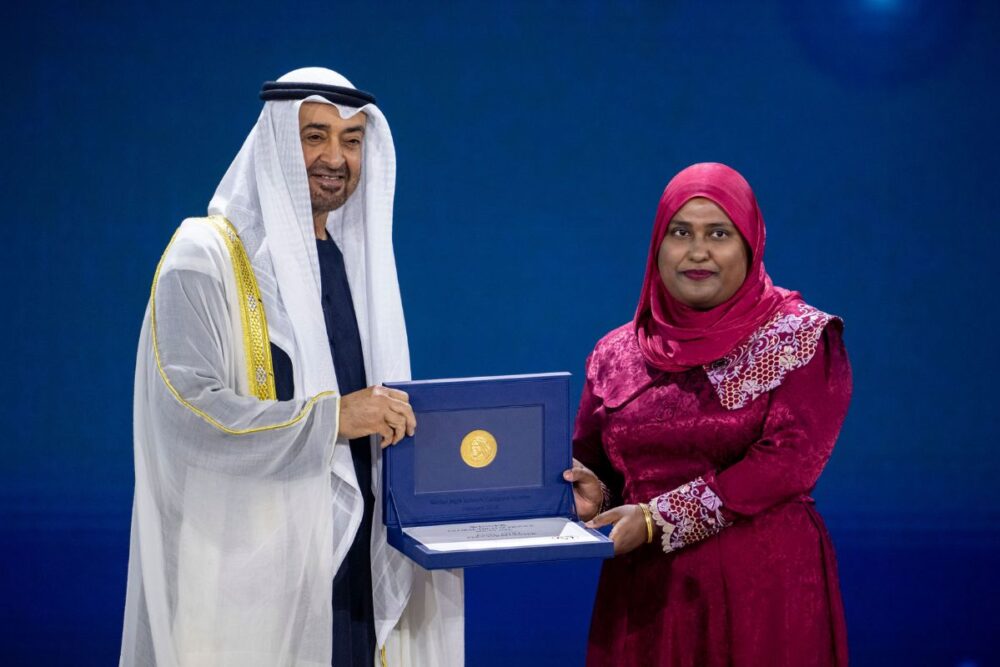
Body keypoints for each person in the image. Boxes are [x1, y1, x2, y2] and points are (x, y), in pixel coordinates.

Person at [120, 67, 464, 666]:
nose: (336, 156)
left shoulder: (356, 268)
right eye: (315, 136)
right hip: (248, 581)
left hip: (351, 571)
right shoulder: (203, 257)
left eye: (352, 140)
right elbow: (187, 412)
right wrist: (330, 419)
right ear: (278, 141)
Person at [564, 162, 851, 666]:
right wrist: (595, 496)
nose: (698, 252)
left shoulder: (799, 337)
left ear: (749, 243)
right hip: (645, 595)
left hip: (762, 593)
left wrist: (659, 519)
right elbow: (596, 465)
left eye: (719, 233)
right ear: (658, 246)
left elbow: (788, 463)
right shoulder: (616, 352)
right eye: (680, 233)